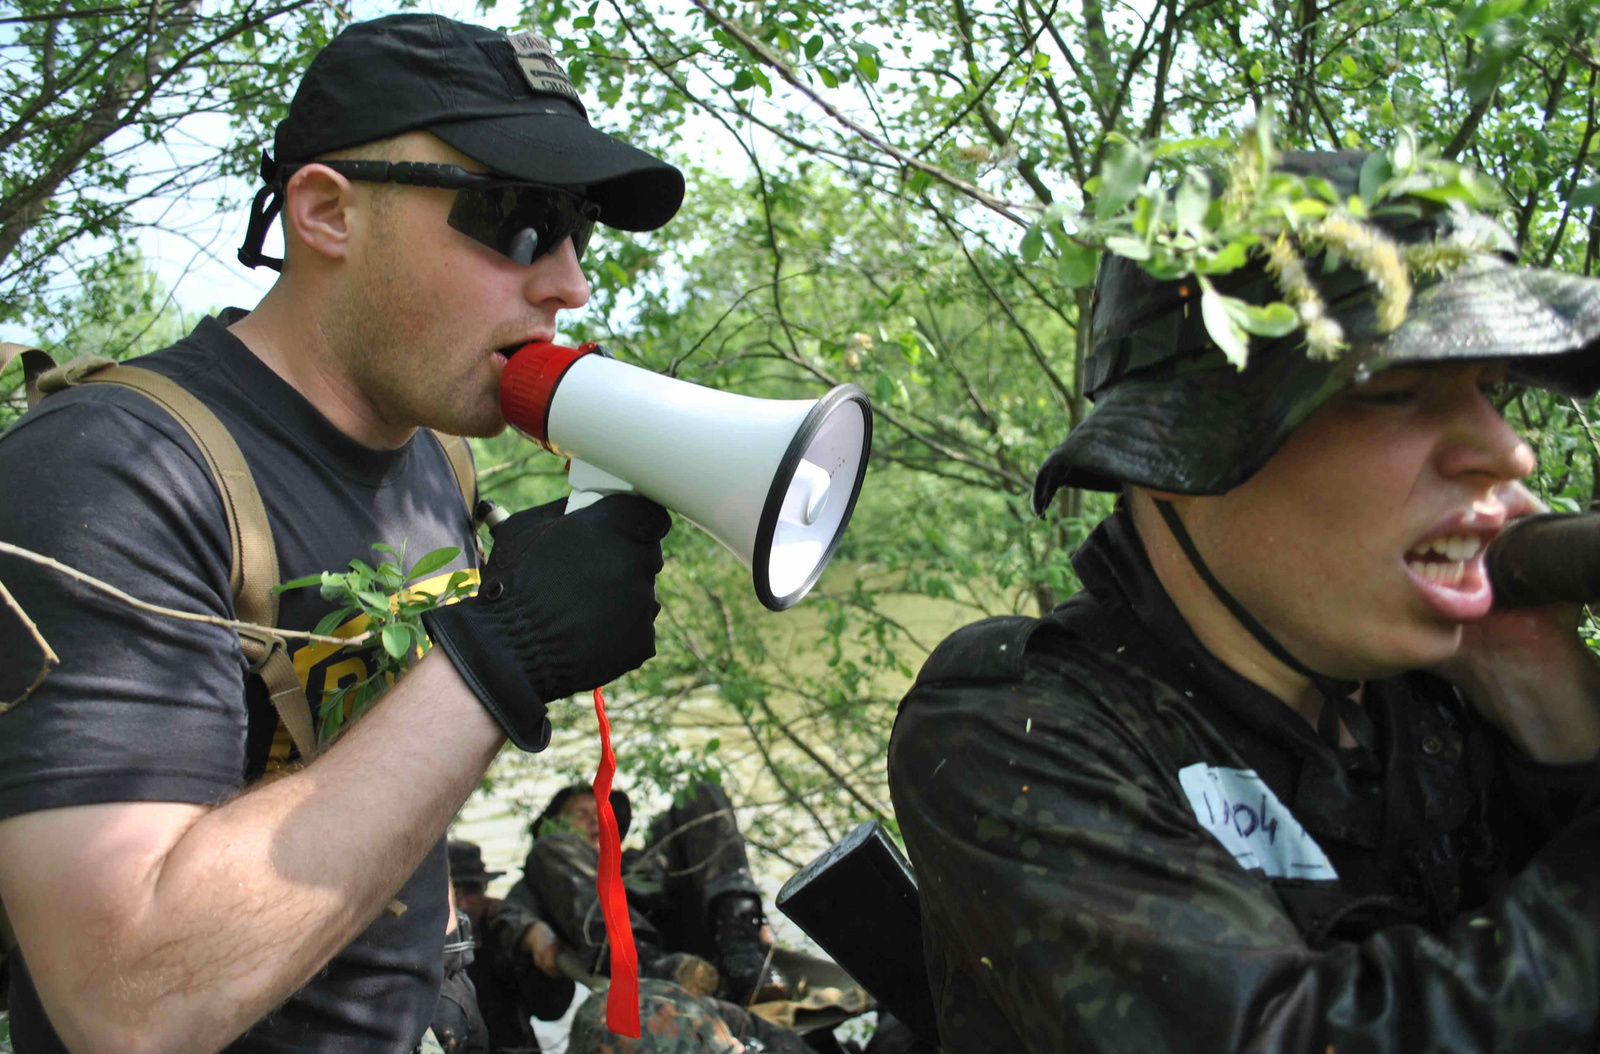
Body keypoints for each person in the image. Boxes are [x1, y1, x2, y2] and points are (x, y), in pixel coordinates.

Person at [0, 13, 681, 1053]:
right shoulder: (109, 471)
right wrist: (499, 656)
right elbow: (124, 1003)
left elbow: (372, 794)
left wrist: (472, 937)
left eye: (576, 223)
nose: (568, 281)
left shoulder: (436, 461)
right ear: (326, 213)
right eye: (517, 219)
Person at [887, 148, 1600, 1052]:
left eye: (1491, 392)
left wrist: (1556, 709)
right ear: (1182, 459)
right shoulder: (1015, 731)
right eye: (1395, 391)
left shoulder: (1437, 693)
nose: (1508, 454)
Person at [520, 782, 791, 1007]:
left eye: (600, 812)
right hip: (646, 973)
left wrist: (748, 916)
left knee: (700, 792)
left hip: (700, 940)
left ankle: (741, 947)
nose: (595, 819)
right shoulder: (544, 867)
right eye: (581, 814)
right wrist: (531, 930)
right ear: (555, 825)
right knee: (550, 849)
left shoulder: (638, 860)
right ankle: (644, 965)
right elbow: (510, 912)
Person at [448, 839, 573, 1052]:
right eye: (454, 893)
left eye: (471, 891)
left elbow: (551, 1008)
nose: (463, 905)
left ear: (484, 889)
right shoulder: (426, 948)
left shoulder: (505, 934)